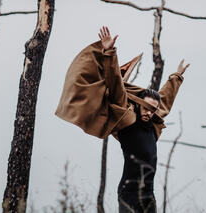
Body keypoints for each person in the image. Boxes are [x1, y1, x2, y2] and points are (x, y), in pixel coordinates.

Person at [55, 26, 189, 213]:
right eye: (147, 108)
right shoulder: (128, 120)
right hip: (128, 193)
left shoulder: (153, 125)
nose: (149, 113)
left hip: (148, 195)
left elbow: (165, 100)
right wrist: (109, 52)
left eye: (153, 110)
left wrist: (177, 77)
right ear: (139, 104)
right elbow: (115, 85)